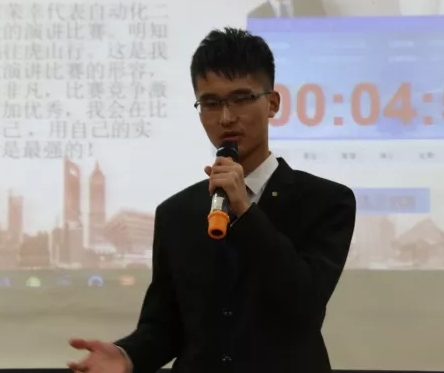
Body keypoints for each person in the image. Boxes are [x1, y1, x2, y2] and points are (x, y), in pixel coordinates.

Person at [67, 28, 356, 373]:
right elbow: (165, 326)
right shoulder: (176, 212)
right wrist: (127, 356)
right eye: (210, 103)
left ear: (272, 103)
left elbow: (304, 306)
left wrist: (245, 212)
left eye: (241, 98)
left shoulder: (326, 201)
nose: (226, 117)